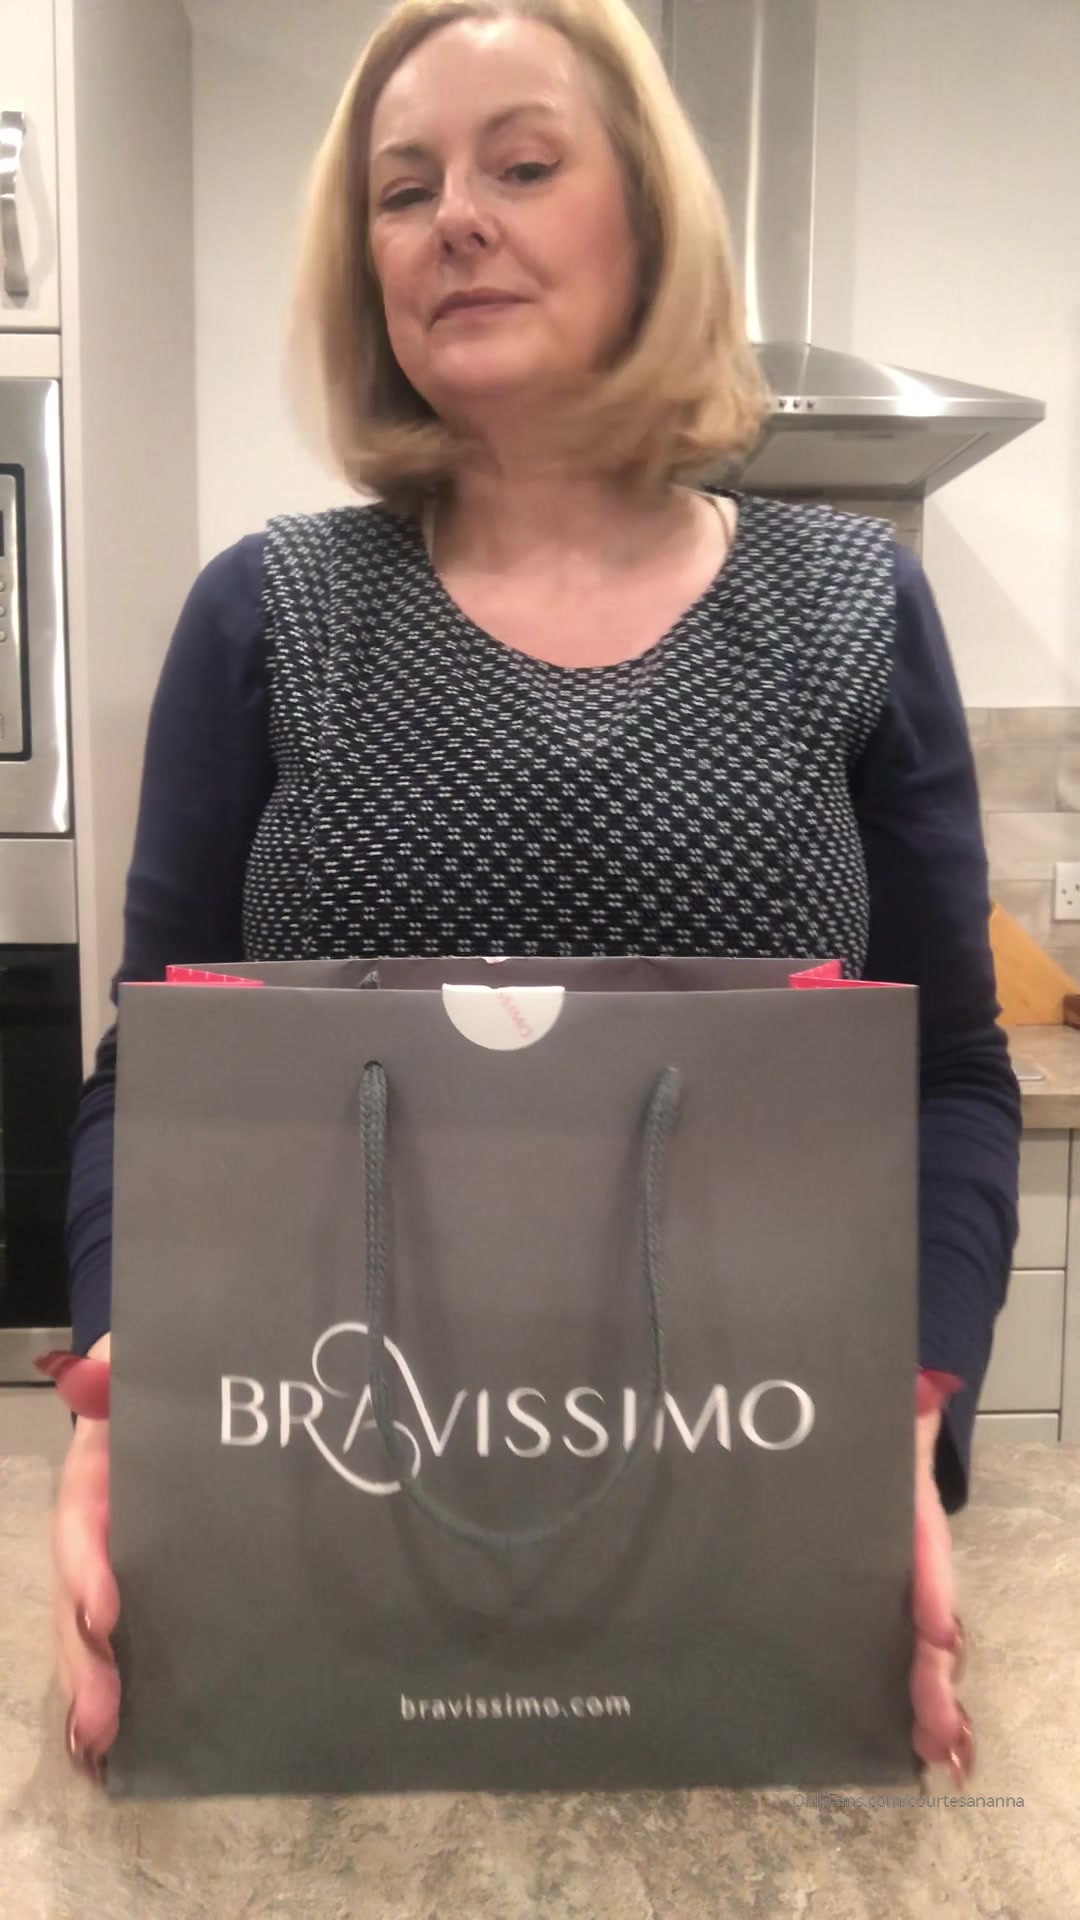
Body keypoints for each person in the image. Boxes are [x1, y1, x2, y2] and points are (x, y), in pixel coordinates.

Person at [52, 0, 1018, 1789]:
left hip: (748, 1517)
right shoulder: (264, 614)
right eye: (403, 188)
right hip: (331, 1517)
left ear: (646, 216)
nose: (455, 222)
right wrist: (132, 1398)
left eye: (521, 164)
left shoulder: (850, 608)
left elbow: (950, 1079)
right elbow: (153, 1080)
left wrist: (906, 1412)